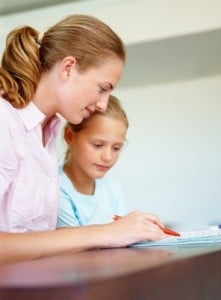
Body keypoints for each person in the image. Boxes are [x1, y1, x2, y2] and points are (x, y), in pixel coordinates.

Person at [0, 14, 166, 265]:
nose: (103, 104)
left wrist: (124, 232)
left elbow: (36, 239)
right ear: (67, 68)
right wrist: (105, 233)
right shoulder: (5, 121)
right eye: (102, 88)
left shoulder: (47, 134)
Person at [57, 95, 128, 228]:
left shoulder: (113, 190)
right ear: (70, 136)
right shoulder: (54, 187)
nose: (108, 157)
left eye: (116, 148)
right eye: (97, 145)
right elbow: (72, 244)